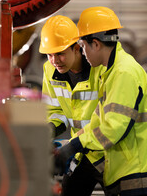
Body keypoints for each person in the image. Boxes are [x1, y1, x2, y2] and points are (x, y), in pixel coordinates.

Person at [54, 7, 147, 196]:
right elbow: (98, 121)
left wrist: (75, 146)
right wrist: (69, 144)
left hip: (138, 173)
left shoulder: (123, 73)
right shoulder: (110, 72)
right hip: (131, 169)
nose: (82, 53)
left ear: (96, 44)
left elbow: (112, 129)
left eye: (83, 46)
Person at [39, 15, 107, 195]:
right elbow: (54, 109)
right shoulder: (49, 69)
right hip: (82, 151)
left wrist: (70, 146)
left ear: (76, 48)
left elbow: (108, 119)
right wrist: (50, 129)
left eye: (60, 53)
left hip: (109, 151)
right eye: (49, 54)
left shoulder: (99, 68)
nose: (54, 60)